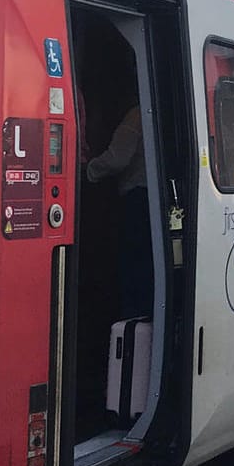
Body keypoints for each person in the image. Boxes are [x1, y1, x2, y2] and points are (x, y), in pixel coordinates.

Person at [86, 98, 153, 322]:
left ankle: (128, 327)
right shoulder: (163, 113)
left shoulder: (137, 115)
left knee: (132, 273)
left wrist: (90, 170)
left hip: (136, 201)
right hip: (154, 203)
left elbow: (118, 159)